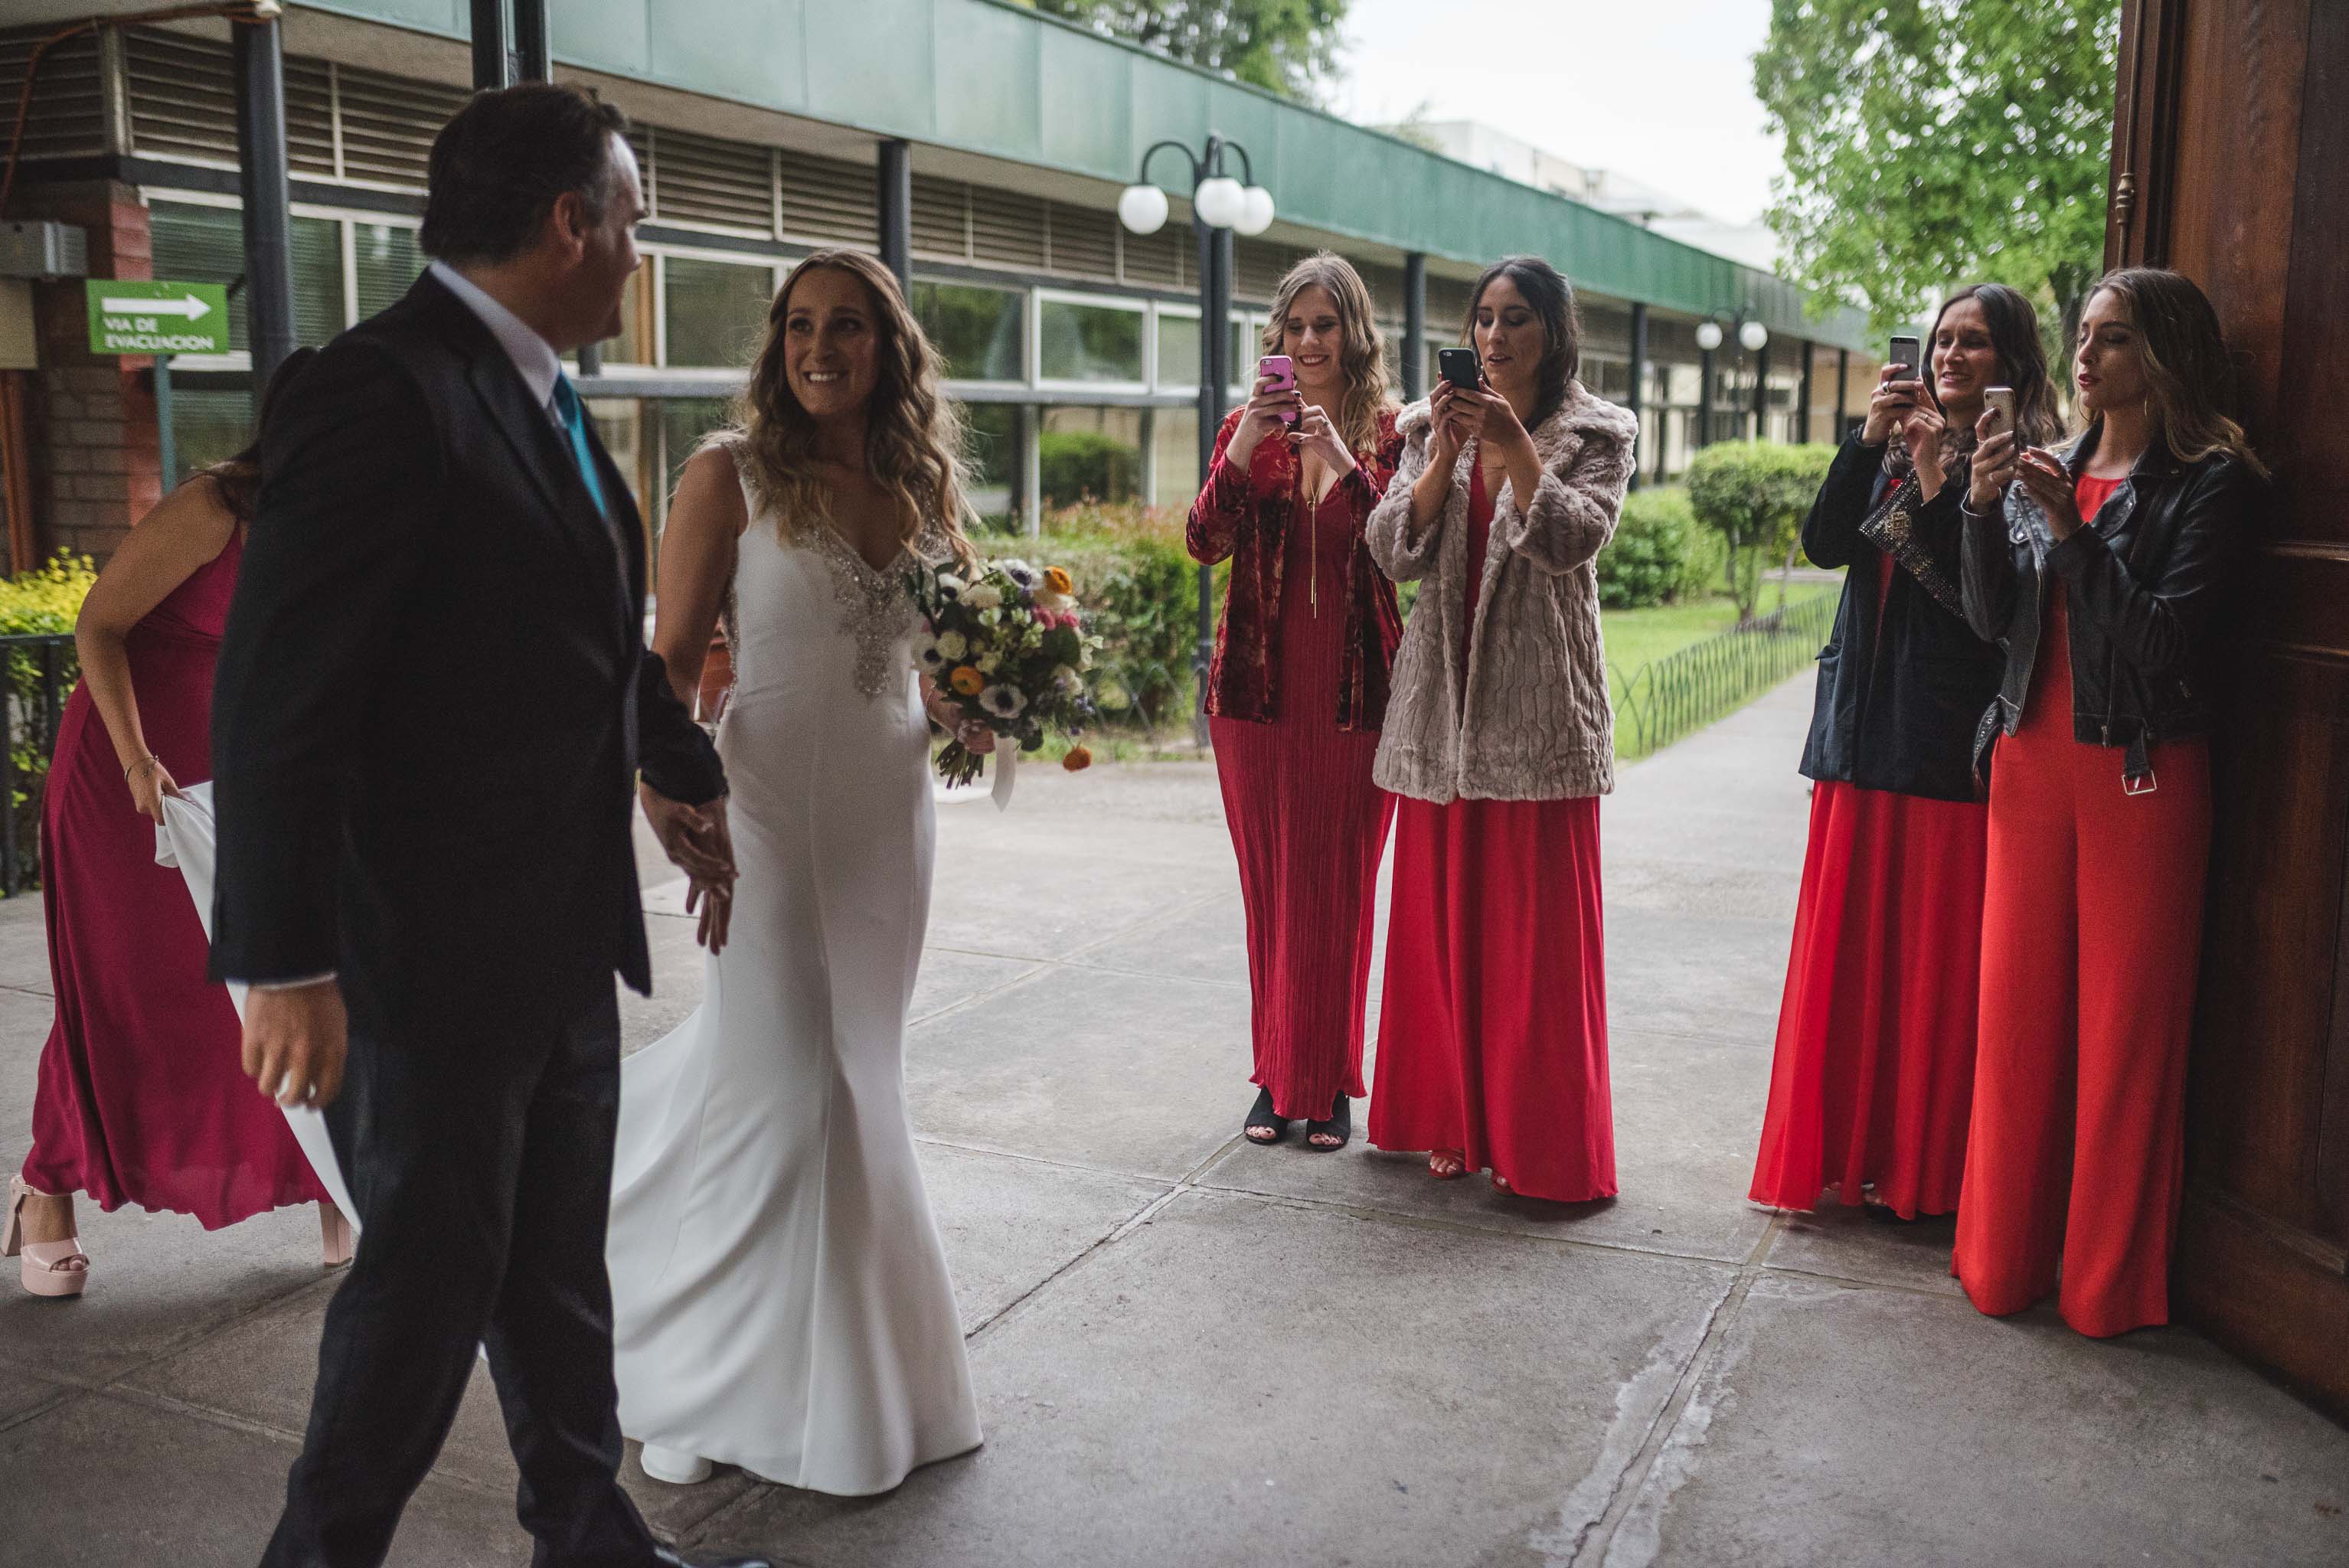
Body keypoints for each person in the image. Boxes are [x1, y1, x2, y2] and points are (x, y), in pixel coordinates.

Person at [207, 84, 765, 1568]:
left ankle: (590, 1541)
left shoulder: (543, 397)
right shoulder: (378, 391)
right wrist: (284, 960)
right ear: (570, 221)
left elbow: (575, 646)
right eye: (633, 220)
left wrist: (683, 770)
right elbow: (276, 698)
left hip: (554, 949)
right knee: (418, 1305)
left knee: (555, 1291)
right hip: (418, 972)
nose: (640, 254)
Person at [604, 249, 986, 1495]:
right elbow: (666, 660)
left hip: (886, 810)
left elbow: (952, 643)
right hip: (760, 806)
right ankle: (697, 1377)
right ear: (778, 343)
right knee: (785, 1073)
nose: (820, 348)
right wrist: (666, 787)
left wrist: (983, 698)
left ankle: (862, 1380)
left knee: (855, 1078)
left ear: (889, 347)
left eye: (848, 328)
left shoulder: (917, 479)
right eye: (800, 327)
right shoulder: (727, 473)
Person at [1952, 267, 2264, 1338]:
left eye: (2115, 337)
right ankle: (2001, 1261)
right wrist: (1987, 508)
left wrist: (2071, 533)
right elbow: (1995, 621)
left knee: (2125, 1038)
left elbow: (2165, 643)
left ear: (2165, 354)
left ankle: (2103, 1288)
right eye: (2083, 335)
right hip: (2032, 766)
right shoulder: (2058, 465)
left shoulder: (2212, 479)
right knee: (2016, 1029)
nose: (2086, 357)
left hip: (2141, 778)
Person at [5, 350, 344, 1300]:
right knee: (126, 998)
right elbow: (97, 627)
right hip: (127, 771)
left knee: (260, 990)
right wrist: (136, 761)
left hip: (237, 777)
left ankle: (331, 1178)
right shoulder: (215, 508)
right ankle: (45, 1191)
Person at [1749, 285, 2061, 1220]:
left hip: (1938, 748)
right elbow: (1818, 545)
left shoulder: (2016, 467)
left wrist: (1938, 474)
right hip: (1856, 734)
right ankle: (1846, 1155)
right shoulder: (1890, 445)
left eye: (1973, 343)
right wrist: (1863, 441)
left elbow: (1984, 611)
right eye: (1941, 341)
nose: (1949, 356)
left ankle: (1922, 1174)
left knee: (1928, 976)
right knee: (1847, 973)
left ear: (2009, 364)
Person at [1364, 255, 1636, 1200]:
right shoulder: (1422, 426)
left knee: (1533, 949)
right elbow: (1391, 547)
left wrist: (1516, 447)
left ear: (1554, 331)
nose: (1493, 335)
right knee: (1442, 931)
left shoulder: (1596, 431)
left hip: (1535, 713)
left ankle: (1540, 1141)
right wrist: (1443, 451)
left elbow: (1569, 540)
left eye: (1515, 318)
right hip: (1440, 711)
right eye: (1482, 317)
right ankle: (1451, 1116)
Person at [1188, 253, 1403, 1154]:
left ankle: (1333, 1080)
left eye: (1327, 324)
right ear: (1274, 337)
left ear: (1355, 334)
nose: (1310, 341)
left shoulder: (1393, 432)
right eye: (1296, 325)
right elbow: (1205, 542)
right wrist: (1246, 446)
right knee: (1272, 888)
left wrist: (1341, 458)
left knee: (1342, 887)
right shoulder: (1245, 426)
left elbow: (1400, 544)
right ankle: (1277, 1076)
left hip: (1356, 693)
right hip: (1255, 697)